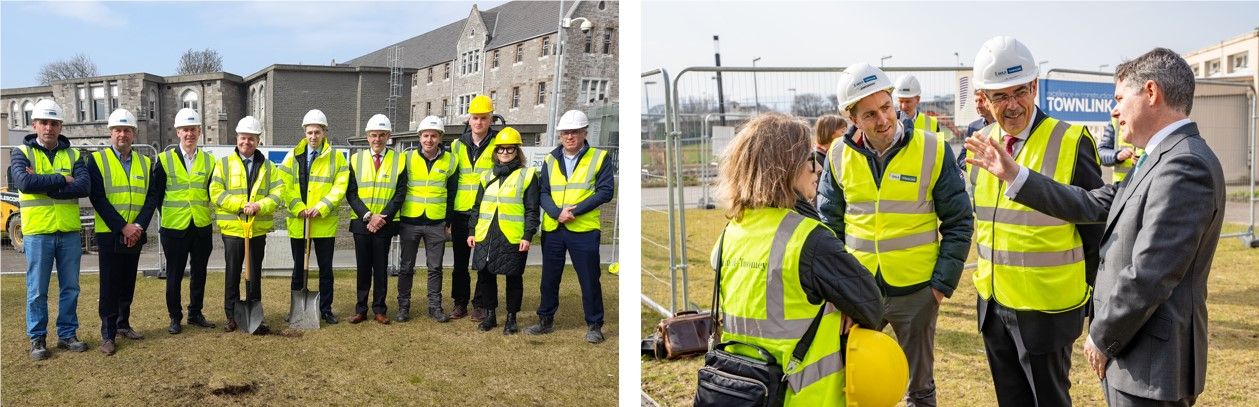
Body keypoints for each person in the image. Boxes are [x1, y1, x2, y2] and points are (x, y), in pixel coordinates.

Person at [967, 48, 1222, 407]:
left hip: (1149, 357)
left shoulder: (1185, 165)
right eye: (999, 95)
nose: (1114, 111)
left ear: (1150, 93)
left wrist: (1103, 334)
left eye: (1119, 99)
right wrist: (1015, 175)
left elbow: (1150, 273)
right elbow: (1090, 204)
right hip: (1130, 352)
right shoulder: (1161, 159)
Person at [817, 63, 973, 406]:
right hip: (857, 292)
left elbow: (960, 221)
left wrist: (940, 287)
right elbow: (829, 227)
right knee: (855, 381)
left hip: (917, 293)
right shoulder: (839, 156)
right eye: (870, 114)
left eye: (886, 107)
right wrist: (838, 291)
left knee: (918, 388)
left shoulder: (933, 149)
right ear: (853, 118)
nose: (883, 119)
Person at [967, 36, 1104, 406]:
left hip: (1047, 311)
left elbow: (1095, 229)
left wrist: (1093, 303)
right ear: (984, 98)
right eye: (1000, 96)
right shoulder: (981, 143)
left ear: (1035, 86)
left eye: (1020, 92)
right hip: (994, 306)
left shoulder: (1070, 140)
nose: (1012, 106)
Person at [710, 112, 883, 405]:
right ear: (786, 169)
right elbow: (873, 306)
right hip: (805, 397)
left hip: (741, 393)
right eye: (808, 160)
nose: (817, 168)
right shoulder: (810, 239)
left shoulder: (731, 232)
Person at [9, 99, 91, 360]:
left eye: (54, 123)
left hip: (67, 231)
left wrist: (43, 183)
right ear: (35, 125)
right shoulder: (22, 152)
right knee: (37, 290)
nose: (49, 128)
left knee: (71, 287)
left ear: (61, 126)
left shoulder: (74, 154)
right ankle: (38, 338)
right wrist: (62, 180)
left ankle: (67, 333)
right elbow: (23, 181)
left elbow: (84, 186)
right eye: (44, 122)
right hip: (38, 232)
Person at [527, 110, 616, 343]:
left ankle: (594, 324)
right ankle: (545, 319)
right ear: (559, 135)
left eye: (575, 132)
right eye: (565, 132)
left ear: (585, 132)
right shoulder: (549, 159)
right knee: (549, 277)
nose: (569, 137)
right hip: (554, 228)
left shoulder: (599, 158)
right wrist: (557, 213)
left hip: (584, 229)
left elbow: (605, 192)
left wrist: (573, 211)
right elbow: (543, 192)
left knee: (589, 278)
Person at [85, 109, 159, 355]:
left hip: (135, 233)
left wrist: (137, 226)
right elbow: (98, 198)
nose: (122, 134)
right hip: (110, 232)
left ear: (134, 133)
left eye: (127, 130)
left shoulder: (145, 162)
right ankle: (107, 333)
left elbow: (151, 198)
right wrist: (122, 227)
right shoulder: (97, 160)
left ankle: (123, 324)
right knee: (109, 284)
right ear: (110, 133)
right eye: (118, 130)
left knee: (128, 280)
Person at [211, 116, 283, 333]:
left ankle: (254, 314)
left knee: (254, 273)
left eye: (251, 138)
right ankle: (231, 316)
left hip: (257, 229)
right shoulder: (223, 164)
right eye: (243, 138)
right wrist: (242, 206)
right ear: (237, 138)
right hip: (233, 229)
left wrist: (259, 206)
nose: (247, 142)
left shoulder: (268, 167)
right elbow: (216, 192)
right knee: (232, 273)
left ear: (258, 140)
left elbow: (278, 194)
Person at [466, 127, 540, 334]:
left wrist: (528, 235)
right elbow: (477, 206)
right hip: (486, 233)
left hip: (512, 235)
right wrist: (472, 231)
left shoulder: (527, 176)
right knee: (486, 276)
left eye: (510, 149)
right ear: (495, 152)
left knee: (513, 278)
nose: (505, 153)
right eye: (501, 149)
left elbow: (532, 209)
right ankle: (490, 315)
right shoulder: (486, 175)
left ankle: (511, 318)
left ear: (517, 151)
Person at [151, 108, 217, 335]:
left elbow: (211, 191)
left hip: (201, 226)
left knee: (200, 272)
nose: (189, 134)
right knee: (174, 275)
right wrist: (172, 215)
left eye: (193, 129)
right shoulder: (164, 160)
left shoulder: (209, 161)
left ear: (199, 132)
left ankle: (195, 313)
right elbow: (157, 195)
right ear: (178, 132)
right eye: (185, 130)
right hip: (174, 228)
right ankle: (175, 317)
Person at [280, 109, 349, 325]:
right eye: (309, 132)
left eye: (317, 132)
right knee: (298, 268)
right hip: (299, 222)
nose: (313, 136)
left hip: (323, 223)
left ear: (324, 132)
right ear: (304, 132)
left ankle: (325, 309)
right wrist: (298, 206)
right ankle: (296, 309)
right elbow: (283, 185)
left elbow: (340, 187)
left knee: (326, 269)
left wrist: (321, 207)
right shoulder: (293, 156)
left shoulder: (336, 157)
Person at [396, 115, 459, 323]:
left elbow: (452, 193)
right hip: (410, 221)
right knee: (406, 267)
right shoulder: (407, 158)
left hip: (436, 222)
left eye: (433, 136)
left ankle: (435, 306)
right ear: (419, 137)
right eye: (425, 136)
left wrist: (448, 221)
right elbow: (400, 189)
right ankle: (403, 306)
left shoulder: (450, 160)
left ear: (440, 137)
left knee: (435, 268)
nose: (429, 140)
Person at [345, 114, 407, 325]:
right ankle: (361, 309)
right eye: (373, 135)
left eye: (382, 135)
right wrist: (368, 216)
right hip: (362, 222)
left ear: (388, 136)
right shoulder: (356, 159)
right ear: (367, 136)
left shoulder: (399, 159)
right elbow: (351, 193)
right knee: (363, 268)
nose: (377, 139)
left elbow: (400, 193)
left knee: (380, 269)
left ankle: (379, 309)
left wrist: (382, 218)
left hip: (385, 224)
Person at [450, 94, 501, 321]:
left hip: (486, 213)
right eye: (475, 118)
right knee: (460, 263)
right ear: (469, 120)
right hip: (461, 212)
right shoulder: (456, 145)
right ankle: (459, 302)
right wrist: (448, 216)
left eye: (483, 118)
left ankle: (480, 303)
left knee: (483, 262)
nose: (478, 122)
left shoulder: (499, 146)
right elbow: (451, 181)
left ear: (490, 119)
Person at [957, 89, 995, 171]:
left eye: (981, 101)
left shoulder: (1003, 125)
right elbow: (962, 158)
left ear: (989, 101)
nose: (978, 105)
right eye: (976, 101)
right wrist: (975, 169)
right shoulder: (973, 127)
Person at [1098, 118, 1144, 185]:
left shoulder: (1155, 117)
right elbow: (1101, 153)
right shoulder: (1116, 120)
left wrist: (1145, 160)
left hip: (1146, 182)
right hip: (1121, 186)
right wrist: (1117, 155)